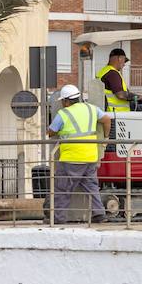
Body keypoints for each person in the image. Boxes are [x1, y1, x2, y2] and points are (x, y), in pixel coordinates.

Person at [47, 84, 112, 224]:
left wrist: (57, 131)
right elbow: (107, 120)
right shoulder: (91, 109)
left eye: (62, 102)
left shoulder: (63, 114)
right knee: (91, 187)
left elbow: (51, 131)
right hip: (90, 156)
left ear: (66, 101)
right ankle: (99, 214)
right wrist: (105, 139)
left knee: (63, 189)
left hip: (71, 157)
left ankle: (58, 219)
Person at [96, 48, 140, 113]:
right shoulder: (113, 73)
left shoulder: (103, 71)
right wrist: (140, 97)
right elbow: (121, 95)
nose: (124, 64)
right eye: (124, 61)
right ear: (120, 58)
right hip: (117, 114)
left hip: (108, 112)